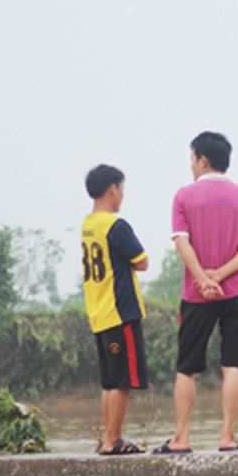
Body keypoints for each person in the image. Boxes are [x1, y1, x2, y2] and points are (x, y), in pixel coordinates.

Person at [153, 131, 238, 454]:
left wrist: (203, 278)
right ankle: (227, 437)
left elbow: (181, 242)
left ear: (202, 159)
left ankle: (182, 438)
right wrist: (223, 274)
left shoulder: (184, 197)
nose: (191, 165)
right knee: (233, 364)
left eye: (192, 158)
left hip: (196, 295)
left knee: (186, 368)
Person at [81, 164, 150, 455]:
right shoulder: (115, 226)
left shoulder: (88, 225)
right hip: (119, 312)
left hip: (98, 312)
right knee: (122, 381)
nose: (122, 195)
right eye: (121, 189)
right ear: (113, 189)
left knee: (109, 382)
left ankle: (109, 439)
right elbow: (142, 261)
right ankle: (114, 440)